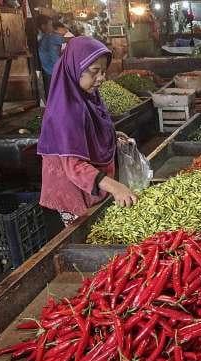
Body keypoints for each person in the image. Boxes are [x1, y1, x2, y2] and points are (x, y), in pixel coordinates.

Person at [37, 36, 138, 226]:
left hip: (91, 185)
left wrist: (111, 136)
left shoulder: (87, 97)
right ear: (75, 69)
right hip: (73, 191)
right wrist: (115, 187)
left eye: (103, 71)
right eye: (94, 72)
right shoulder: (65, 111)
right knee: (88, 232)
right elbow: (74, 165)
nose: (102, 78)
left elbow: (87, 133)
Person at [38, 17, 67, 99]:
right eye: (50, 25)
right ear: (44, 26)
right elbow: (67, 40)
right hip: (51, 69)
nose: (52, 27)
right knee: (54, 92)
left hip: (48, 69)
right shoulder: (50, 37)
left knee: (52, 92)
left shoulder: (44, 37)